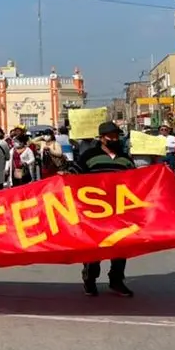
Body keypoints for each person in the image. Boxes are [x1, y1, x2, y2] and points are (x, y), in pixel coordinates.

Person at [74, 122, 135, 297]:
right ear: (101, 138)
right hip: (94, 211)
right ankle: (90, 279)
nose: (115, 139)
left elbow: (136, 182)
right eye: (111, 136)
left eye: (117, 136)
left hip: (119, 210)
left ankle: (116, 280)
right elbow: (74, 175)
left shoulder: (125, 159)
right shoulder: (89, 156)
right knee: (95, 248)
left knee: (120, 247)